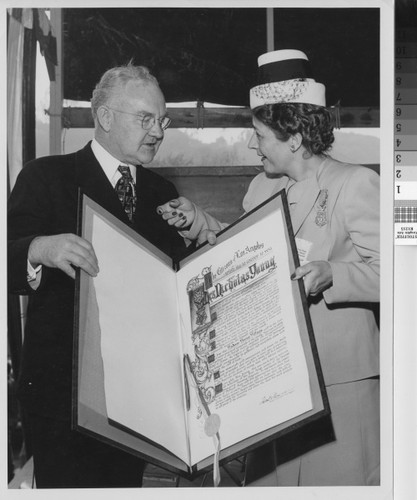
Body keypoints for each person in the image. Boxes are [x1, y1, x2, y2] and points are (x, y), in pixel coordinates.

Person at [157, 49, 380, 486]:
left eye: (258, 134)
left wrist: (335, 274)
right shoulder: (262, 186)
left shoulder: (355, 185)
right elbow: (247, 253)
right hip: (273, 381)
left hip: (340, 385)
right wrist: (200, 222)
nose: (250, 144)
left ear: (293, 137)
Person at [8, 64, 187, 488]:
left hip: (135, 399)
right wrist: (39, 248)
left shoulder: (164, 193)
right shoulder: (44, 177)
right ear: (105, 118)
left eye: (162, 120)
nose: (158, 131)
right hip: (61, 399)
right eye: (145, 118)